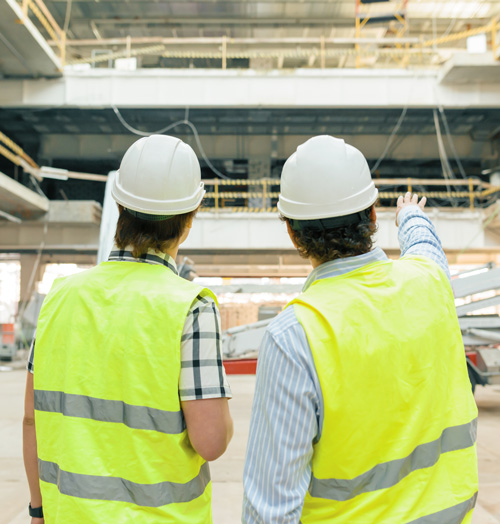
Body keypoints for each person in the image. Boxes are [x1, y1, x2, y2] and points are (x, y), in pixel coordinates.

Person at [242, 135, 478, 523]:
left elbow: (271, 507)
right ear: (372, 216)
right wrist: (411, 216)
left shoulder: (295, 334)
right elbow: (426, 250)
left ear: (293, 235)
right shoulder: (430, 283)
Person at [23, 134, 233, 523]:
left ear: (119, 205)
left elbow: (32, 419)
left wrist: (38, 509)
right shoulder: (191, 307)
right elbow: (211, 442)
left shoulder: (59, 297)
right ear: (191, 217)